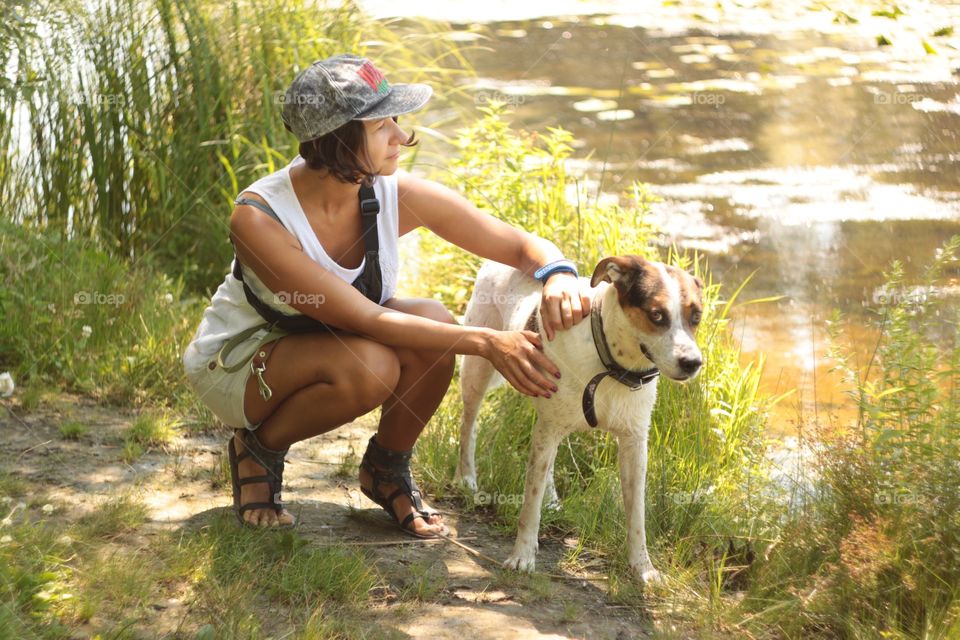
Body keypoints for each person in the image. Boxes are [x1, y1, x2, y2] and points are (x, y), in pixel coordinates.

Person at [182, 54, 591, 538]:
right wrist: (486, 341)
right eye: (382, 126)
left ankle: (385, 469)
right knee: (375, 362)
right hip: (240, 365)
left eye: (396, 120)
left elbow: (518, 245)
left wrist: (559, 273)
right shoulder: (260, 218)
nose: (402, 136)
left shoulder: (389, 191)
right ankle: (259, 447)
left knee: (432, 322)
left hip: (337, 340)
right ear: (338, 140)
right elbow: (368, 321)